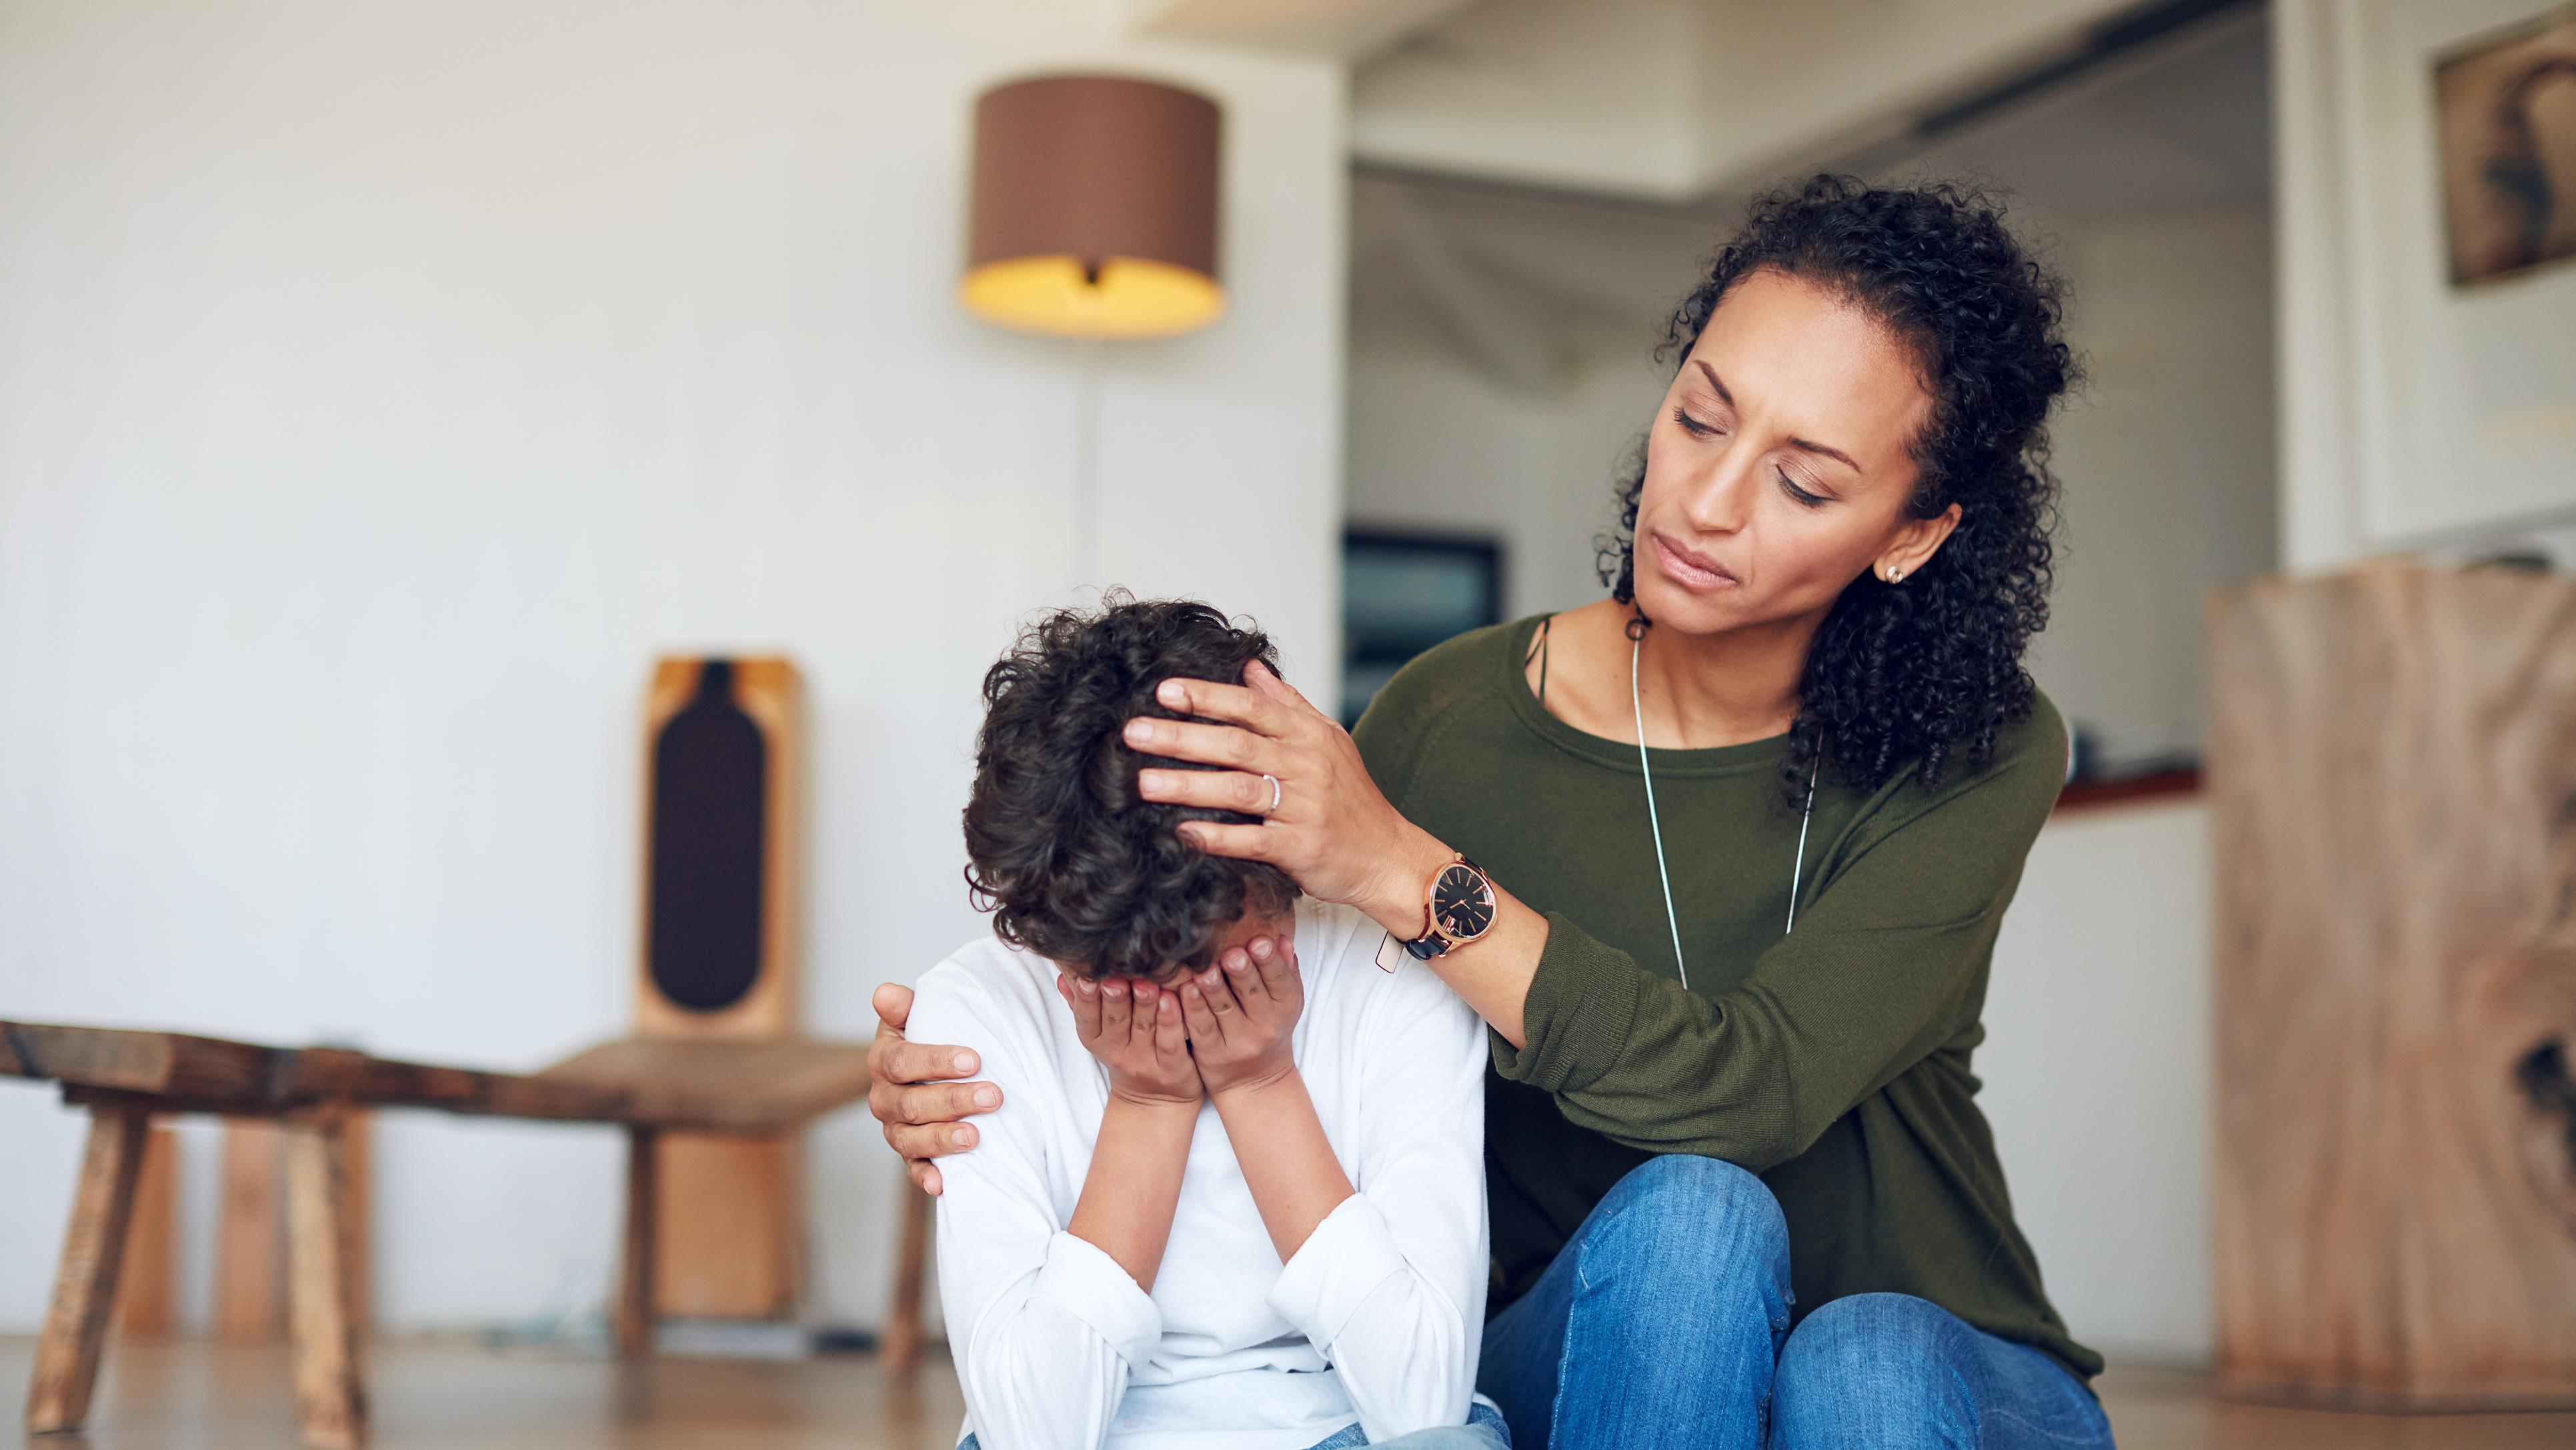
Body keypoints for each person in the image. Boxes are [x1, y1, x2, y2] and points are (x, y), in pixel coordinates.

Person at [876, 174, 2114, 1450]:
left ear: (1911, 533)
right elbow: (1208, 946)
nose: (1702, 501)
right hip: (1594, 1344)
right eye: (1698, 416)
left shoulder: (1977, 752)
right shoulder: (1448, 716)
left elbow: (1754, 1092)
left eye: (1801, 483)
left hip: (1929, 1366)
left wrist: (1403, 868)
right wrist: (969, 1068)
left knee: (1860, 1358)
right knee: (1685, 1216)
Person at [907, 597, 1508, 1450]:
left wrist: (1258, 1078)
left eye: (1213, 965)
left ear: (1284, 869)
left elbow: (1420, 1403)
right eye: (1123, 981)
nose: (1177, 1008)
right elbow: (1032, 1432)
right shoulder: (976, 1007)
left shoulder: (1394, 970)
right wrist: (1146, 1102)